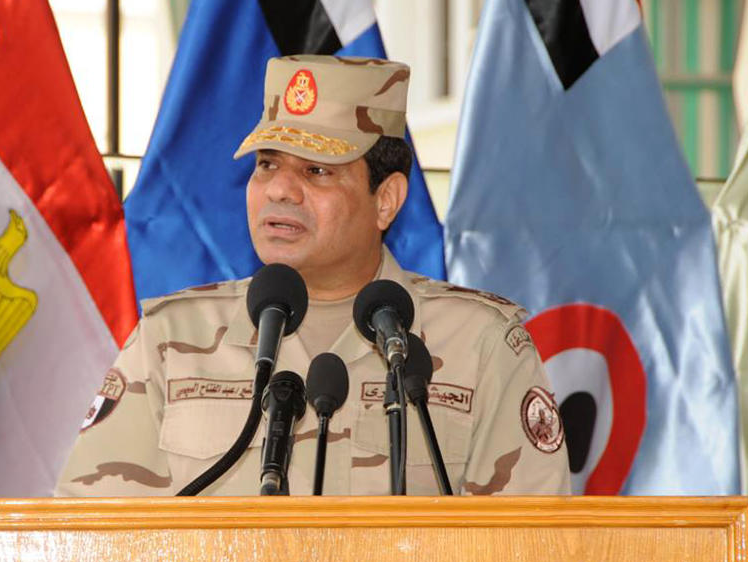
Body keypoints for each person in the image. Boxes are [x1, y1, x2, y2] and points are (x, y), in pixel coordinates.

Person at [55, 55, 571, 497]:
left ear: (386, 199)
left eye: (316, 171)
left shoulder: (478, 346)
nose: (279, 190)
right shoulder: (172, 339)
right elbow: (89, 543)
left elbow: (528, 559)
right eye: (266, 164)